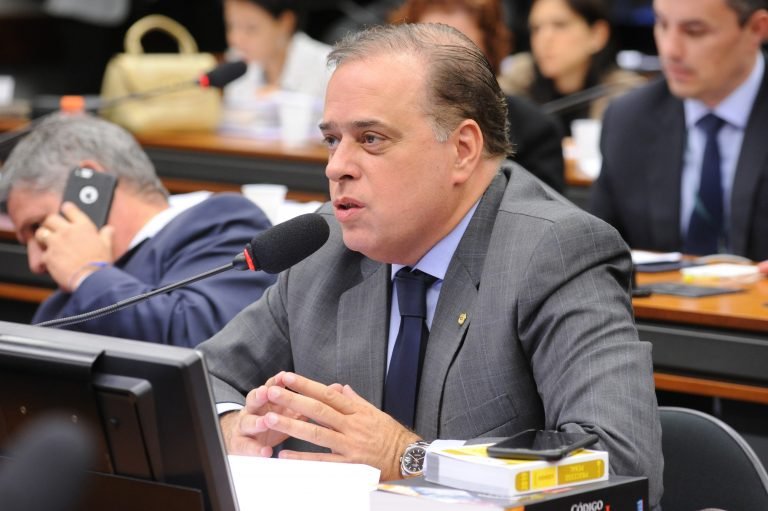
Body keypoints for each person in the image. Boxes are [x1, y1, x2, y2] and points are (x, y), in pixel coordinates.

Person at [196, 23, 663, 507]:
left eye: (371, 139)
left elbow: (621, 465)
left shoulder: (554, 253)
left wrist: (411, 459)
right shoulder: (326, 245)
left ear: (462, 149)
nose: (336, 167)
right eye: (332, 140)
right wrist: (234, 427)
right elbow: (203, 379)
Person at [0, 113, 276, 347]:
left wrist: (89, 274)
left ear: (89, 186)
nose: (35, 263)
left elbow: (206, 341)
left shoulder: (219, 221)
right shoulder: (63, 297)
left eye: (38, 227)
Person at [591, 0, 768, 260]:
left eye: (694, 31)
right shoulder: (629, 120)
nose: (670, 49)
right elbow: (596, 253)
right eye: (662, 24)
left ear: (756, 29)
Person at [389, 0, 566, 191]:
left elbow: (541, 205)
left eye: (455, 50)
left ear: (488, 49)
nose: (439, 63)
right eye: (424, 47)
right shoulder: (383, 121)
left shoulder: (535, 130)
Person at [498, 0, 644, 135]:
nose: (544, 39)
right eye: (536, 29)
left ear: (598, 34)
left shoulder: (625, 95)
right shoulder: (512, 86)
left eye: (560, 25)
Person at [222, 0, 331, 102]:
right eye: (231, 26)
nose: (235, 39)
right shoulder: (236, 59)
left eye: (251, 28)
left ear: (286, 23)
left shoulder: (329, 69)